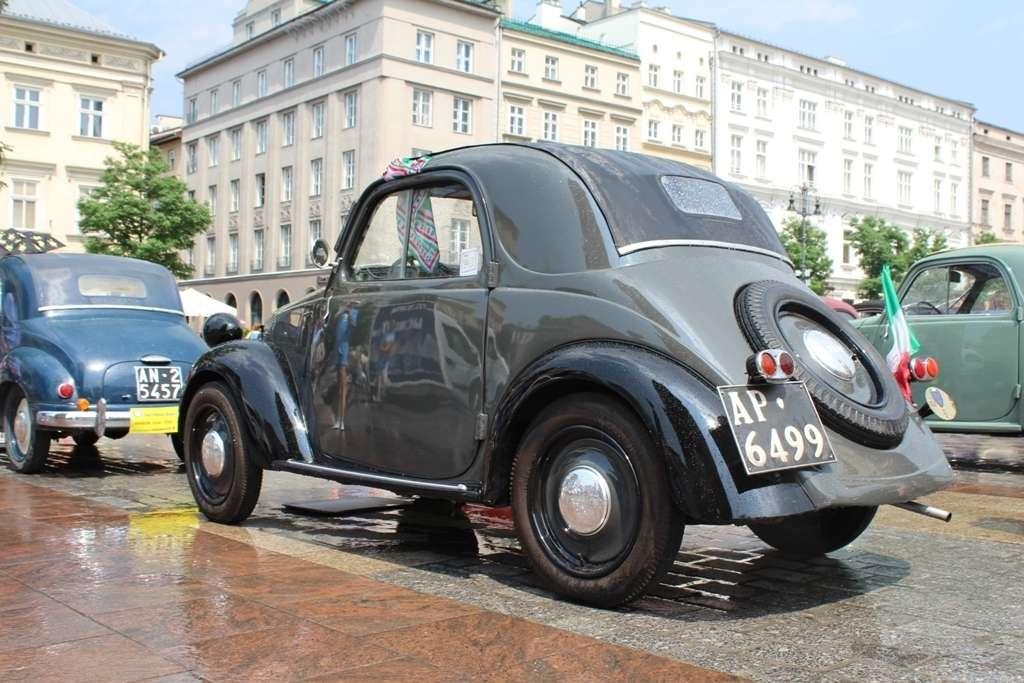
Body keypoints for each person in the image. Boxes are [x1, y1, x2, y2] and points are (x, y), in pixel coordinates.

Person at [335, 306, 357, 430]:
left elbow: (353, 325)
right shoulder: (342, 310)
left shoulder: (353, 311)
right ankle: (338, 419)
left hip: (344, 351)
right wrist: (341, 311)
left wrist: (349, 312)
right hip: (337, 351)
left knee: (343, 389)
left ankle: (342, 420)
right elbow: (334, 319)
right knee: (339, 389)